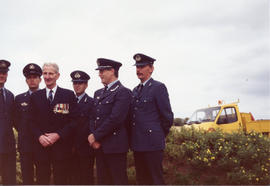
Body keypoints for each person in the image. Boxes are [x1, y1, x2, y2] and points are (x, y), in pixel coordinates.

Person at [28, 63, 78, 184]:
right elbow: (30, 121)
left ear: (57, 75)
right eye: (45, 73)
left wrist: (58, 135)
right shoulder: (35, 96)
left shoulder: (68, 95)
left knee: (61, 180)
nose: (47, 76)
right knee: (42, 180)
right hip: (41, 147)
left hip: (62, 148)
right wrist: (39, 136)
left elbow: (75, 120)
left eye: (51, 73)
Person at [129, 53, 174, 185]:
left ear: (151, 68)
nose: (138, 70)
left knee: (156, 180)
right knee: (142, 180)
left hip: (153, 144)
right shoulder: (135, 90)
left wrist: (157, 134)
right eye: (137, 67)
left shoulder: (158, 87)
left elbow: (167, 117)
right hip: (138, 144)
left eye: (142, 66)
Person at [88, 58, 131, 185]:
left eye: (102, 71)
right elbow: (93, 117)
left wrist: (96, 136)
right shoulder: (98, 93)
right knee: (102, 181)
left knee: (118, 181)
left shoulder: (123, 92)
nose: (99, 74)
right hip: (99, 146)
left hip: (115, 147)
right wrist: (93, 137)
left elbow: (116, 119)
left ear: (112, 71)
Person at [14, 63, 42, 184]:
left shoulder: (46, 96)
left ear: (40, 79)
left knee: (43, 176)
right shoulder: (19, 99)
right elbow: (15, 120)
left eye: (35, 77)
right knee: (27, 177)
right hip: (25, 145)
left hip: (42, 145)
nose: (32, 80)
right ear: (26, 80)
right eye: (29, 77)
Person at [70, 70, 95, 184]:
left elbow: (92, 124)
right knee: (71, 179)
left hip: (85, 148)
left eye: (80, 83)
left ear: (86, 85)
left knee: (86, 178)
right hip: (70, 149)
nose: (77, 85)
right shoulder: (68, 101)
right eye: (75, 83)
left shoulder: (92, 102)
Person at [0, 59, 16, 184]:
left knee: (9, 181)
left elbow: (14, 120)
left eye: (4, 73)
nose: (1, 75)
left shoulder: (10, 95)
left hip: (8, 148)